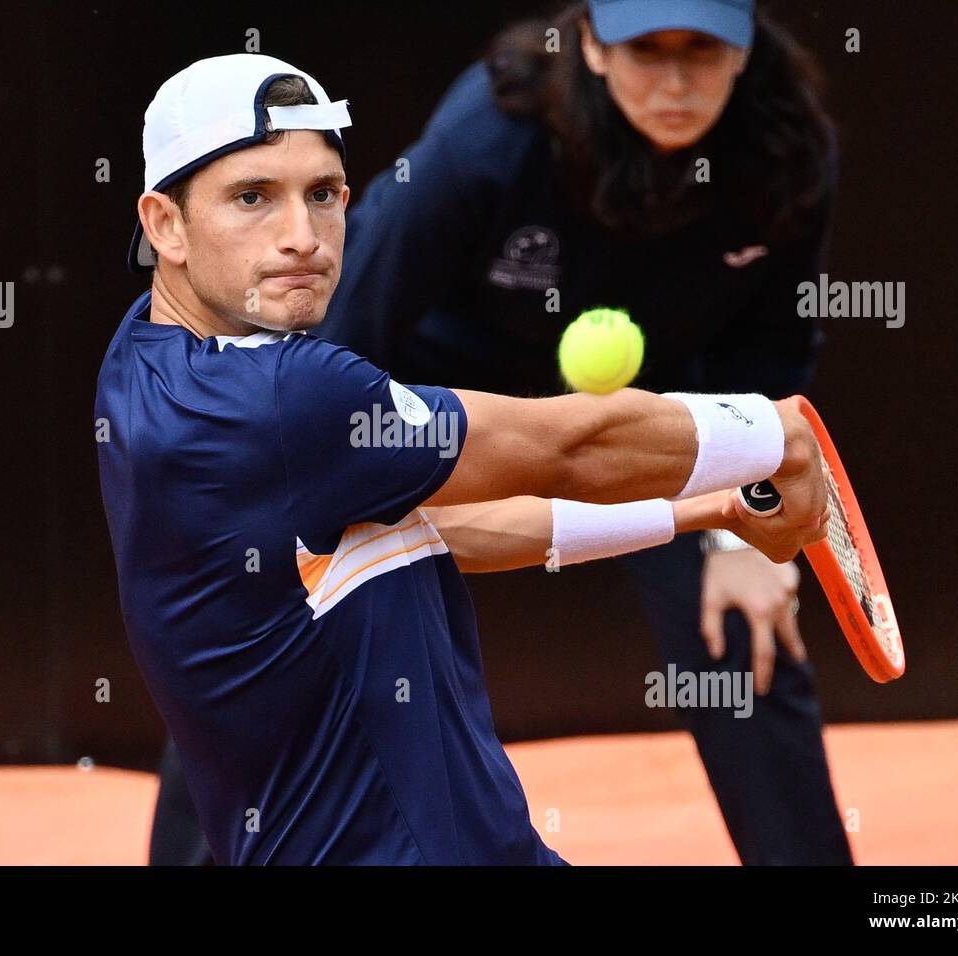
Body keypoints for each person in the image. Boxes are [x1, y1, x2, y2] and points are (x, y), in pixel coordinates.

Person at [97, 52, 829, 865]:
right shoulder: (291, 400)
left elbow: (445, 530)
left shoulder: (143, 362)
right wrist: (769, 435)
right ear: (164, 223)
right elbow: (563, 447)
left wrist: (705, 511)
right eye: (251, 198)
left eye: (324, 194)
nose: (302, 238)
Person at [314, 0, 853, 865]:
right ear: (594, 49)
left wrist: (749, 538)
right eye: (647, 50)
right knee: (296, 596)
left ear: (746, 51)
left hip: (657, 409)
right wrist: (302, 493)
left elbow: (775, 349)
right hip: (463, 395)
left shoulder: (789, 150)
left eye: (703, 52)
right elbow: (355, 313)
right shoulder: (488, 136)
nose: (675, 82)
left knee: (747, 633)